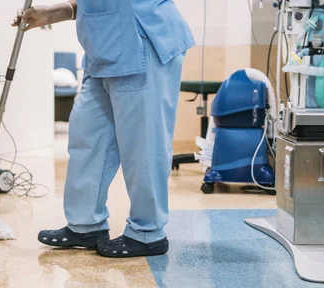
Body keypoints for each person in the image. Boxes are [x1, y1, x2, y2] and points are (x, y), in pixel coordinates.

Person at [13, 0, 194, 258]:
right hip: (103, 47)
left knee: (144, 143)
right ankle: (85, 225)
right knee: (88, 136)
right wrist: (54, 13)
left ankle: (148, 233)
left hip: (141, 39)